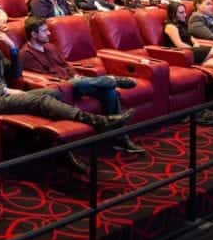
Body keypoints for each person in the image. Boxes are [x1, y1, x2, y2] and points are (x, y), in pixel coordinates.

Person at [0, 14, 134, 135]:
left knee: (56, 92)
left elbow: (15, 73)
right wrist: (5, 90)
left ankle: (61, 143)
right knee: (42, 100)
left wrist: (12, 48)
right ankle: (98, 121)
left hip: (6, 94)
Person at [21, 17, 143, 153]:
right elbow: (46, 80)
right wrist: (71, 80)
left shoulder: (51, 47)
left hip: (77, 83)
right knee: (84, 83)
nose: (49, 33)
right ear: (33, 34)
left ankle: (120, 139)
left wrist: (74, 75)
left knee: (110, 92)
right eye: (44, 31)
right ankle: (110, 80)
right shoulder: (26, 54)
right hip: (60, 90)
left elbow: (66, 65)